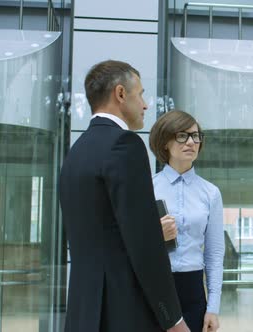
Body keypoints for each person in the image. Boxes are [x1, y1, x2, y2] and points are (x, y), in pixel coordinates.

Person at [59, 60, 190, 332]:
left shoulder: (76, 152)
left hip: (83, 312)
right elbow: (143, 244)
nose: (145, 104)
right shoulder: (125, 145)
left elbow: (101, 233)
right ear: (120, 94)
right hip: (123, 312)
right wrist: (173, 319)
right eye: (140, 94)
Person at [149, 110, 225, 332]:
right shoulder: (146, 187)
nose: (191, 142)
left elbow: (214, 254)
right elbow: (131, 245)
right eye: (182, 136)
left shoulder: (210, 193)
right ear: (165, 142)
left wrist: (213, 308)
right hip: (155, 287)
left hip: (193, 292)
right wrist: (156, 234)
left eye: (196, 136)